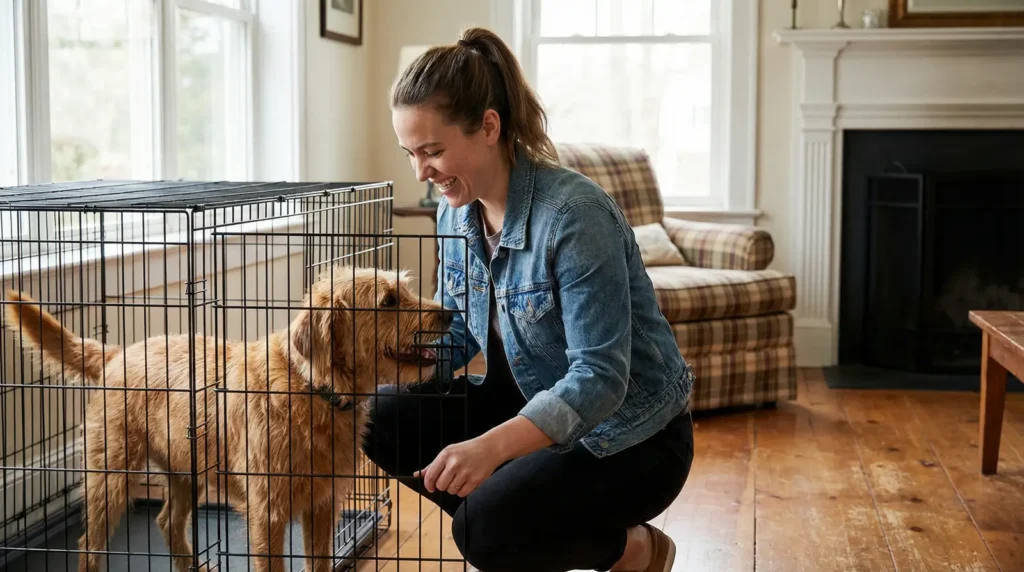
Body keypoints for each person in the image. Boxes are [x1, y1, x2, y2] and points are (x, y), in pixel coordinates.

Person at [361, 26, 695, 572]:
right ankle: (521, 514)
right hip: (532, 395)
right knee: (379, 418)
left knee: (484, 529)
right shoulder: (454, 210)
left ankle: (630, 549)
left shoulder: (574, 217)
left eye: (433, 151)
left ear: (489, 126)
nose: (420, 172)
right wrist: (374, 371)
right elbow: (459, 333)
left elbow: (599, 378)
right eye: (410, 153)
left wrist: (491, 449)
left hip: (634, 436)